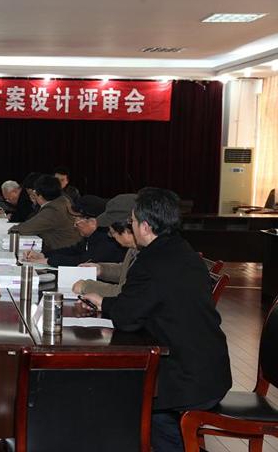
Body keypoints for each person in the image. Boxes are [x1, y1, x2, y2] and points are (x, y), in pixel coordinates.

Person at [80, 188, 232, 452]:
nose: (131, 226)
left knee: (125, 399)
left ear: (145, 227)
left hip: (188, 378)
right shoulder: (181, 249)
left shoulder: (151, 261)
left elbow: (127, 317)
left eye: (132, 221)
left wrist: (102, 301)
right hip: (210, 367)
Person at [24, 195, 125, 266]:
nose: (74, 225)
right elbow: (73, 250)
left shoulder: (108, 239)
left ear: (92, 221)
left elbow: (83, 261)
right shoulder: (92, 236)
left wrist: (48, 261)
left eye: (77, 222)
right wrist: (42, 255)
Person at [71, 194, 138, 297]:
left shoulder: (150, 255)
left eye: (112, 232)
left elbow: (126, 293)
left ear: (128, 229)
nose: (111, 236)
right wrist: (101, 269)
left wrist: (87, 286)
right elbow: (126, 270)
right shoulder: (134, 248)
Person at [8, 174, 81, 254]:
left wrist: (36, 204)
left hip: (62, 253)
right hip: (68, 250)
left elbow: (18, 230)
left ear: (38, 194)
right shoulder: (63, 201)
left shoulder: (52, 211)